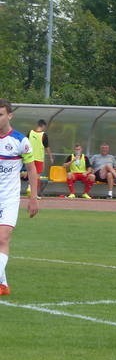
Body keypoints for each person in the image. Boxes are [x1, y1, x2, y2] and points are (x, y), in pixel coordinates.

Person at [0, 99, 40, 296]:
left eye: (0, 115)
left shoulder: (20, 141)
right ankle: (3, 283)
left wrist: (33, 197)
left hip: (9, 198)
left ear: (9, 116)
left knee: (3, 236)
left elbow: (32, 170)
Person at [27, 119, 53, 198]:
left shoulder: (30, 133)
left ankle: (29, 187)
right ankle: (35, 194)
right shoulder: (43, 135)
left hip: (29, 157)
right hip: (38, 158)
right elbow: (47, 147)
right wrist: (51, 157)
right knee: (37, 176)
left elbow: (25, 144)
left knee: (31, 174)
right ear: (43, 126)